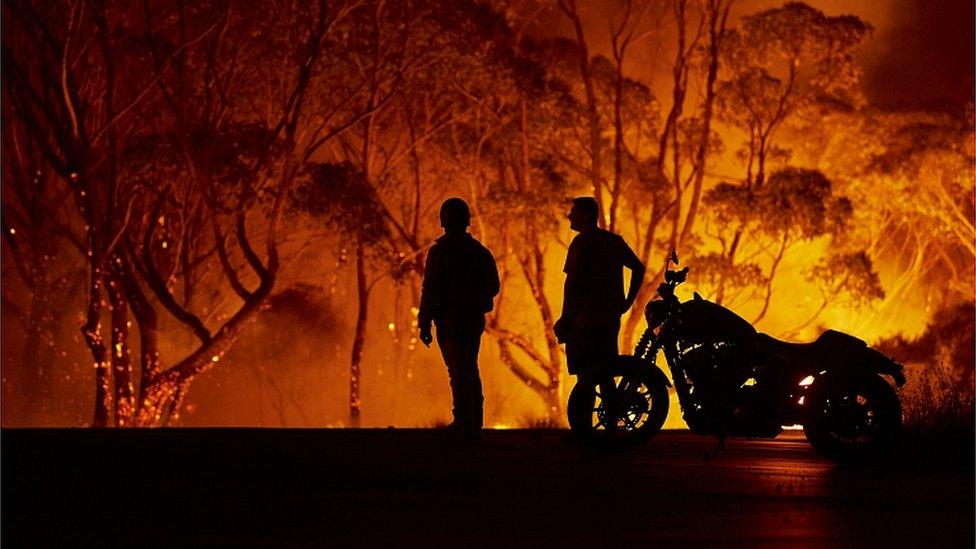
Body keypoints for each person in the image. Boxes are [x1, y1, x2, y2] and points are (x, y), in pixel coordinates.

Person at [554, 197, 645, 430]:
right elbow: (638, 267)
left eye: (573, 212)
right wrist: (627, 302)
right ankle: (611, 427)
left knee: (585, 377)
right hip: (609, 319)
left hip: (583, 321)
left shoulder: (580, 244)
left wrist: (566, 318)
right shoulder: (613, 241)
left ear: (585, 215)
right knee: (605, 374)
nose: (569, 216)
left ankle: (583, 429)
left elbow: (572, 285)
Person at [419, 198, 500, 439]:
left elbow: (430, 289)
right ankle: (473, 420)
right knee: (468, 367)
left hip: (449, 320)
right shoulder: (479, 252)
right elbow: (493, 286)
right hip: (471, 319)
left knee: (458, 369)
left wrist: (425, 322)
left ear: (443, 220)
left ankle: (464, 420)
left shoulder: (440, 252)